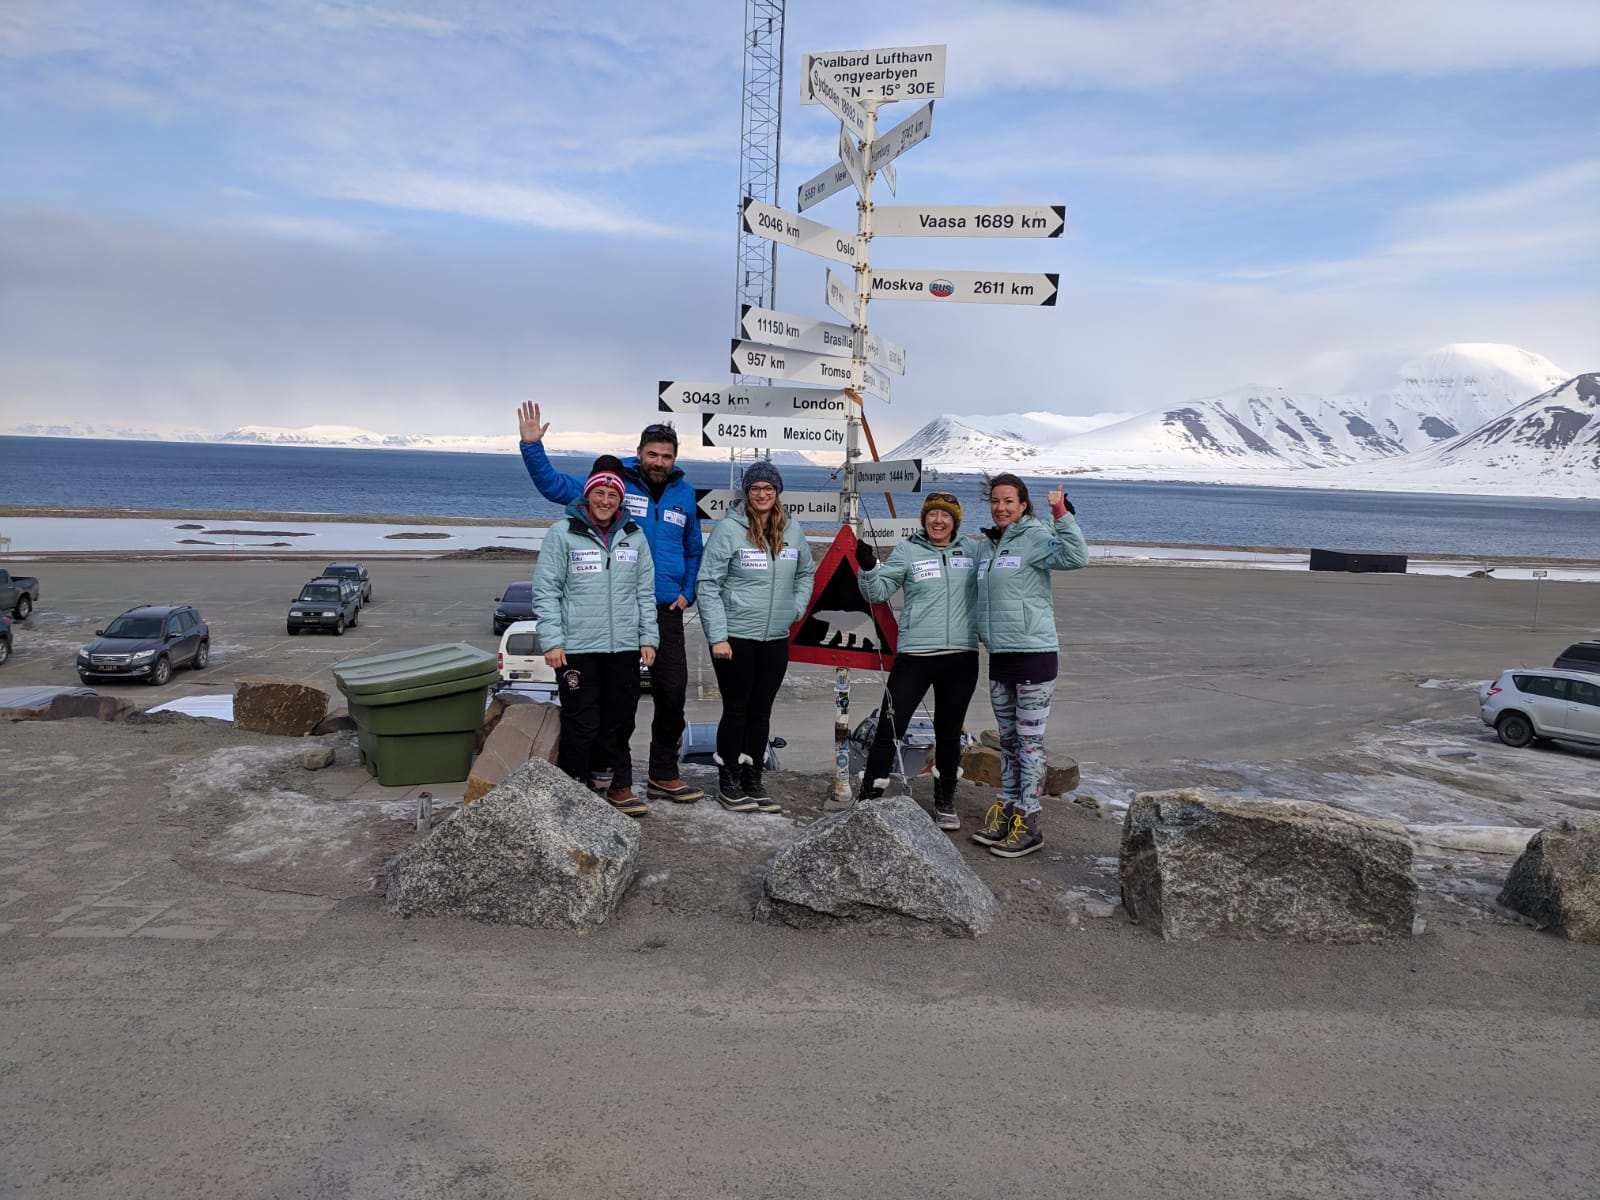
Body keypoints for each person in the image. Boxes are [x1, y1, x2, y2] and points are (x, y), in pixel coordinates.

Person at [518, 403, 705, 803]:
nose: (659, 462)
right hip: (616, 610)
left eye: (667, 456)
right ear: (639, 453)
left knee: (672, 695)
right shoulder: (615, 482)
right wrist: (533, 447)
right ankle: (619, 782)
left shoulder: (685, 493)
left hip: (665, 609)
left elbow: (694, 548)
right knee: (616, 706)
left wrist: (688, 591)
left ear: (675, 459)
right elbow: (555, 487)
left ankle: (663, 773)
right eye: (652, 454)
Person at [967, 474, 1088, 858]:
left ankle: (1029, 820)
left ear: (1022, 505)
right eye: (995, 501)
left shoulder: (1035, 536)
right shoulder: (990, 546)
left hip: (1035, 654)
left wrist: (1061, 513)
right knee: (1008, 742)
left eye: (1008, 501)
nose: (1001, 507)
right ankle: (1006, 809)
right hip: (1001, 657)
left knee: (1030, 742)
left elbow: (1075, 556)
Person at [531, 457, 660, 817]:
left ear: (621, 500)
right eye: (599, 494)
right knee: (582, 722)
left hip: (623, 648)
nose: (605, 501)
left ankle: (615, 785)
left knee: (619, 719)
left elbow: (644, 593)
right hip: (577, 649)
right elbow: (546, 591)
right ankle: (574, 787)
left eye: (612, 495)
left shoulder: (634, 536)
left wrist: (649, 638)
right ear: (588, 496)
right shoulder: (562, 533)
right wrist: (553, 642)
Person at [852, 492, 979, 831]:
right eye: (932, 514)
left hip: (962, 656)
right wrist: (867, 569)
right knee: (890, 727)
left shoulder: (974, 550)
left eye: (945, 515)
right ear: (923, 519)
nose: (938, 521)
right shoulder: (908, 550)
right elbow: (876, 592)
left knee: (950, 732)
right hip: (915, 655)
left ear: (956, 521)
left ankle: (945, 799)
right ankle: (869, 795)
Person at [697, 461, 816, 813]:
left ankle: (753, 778)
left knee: (761, 712)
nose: (762, 494)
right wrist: (718, 635)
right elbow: (708, 583)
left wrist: (794, 610)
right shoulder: (729, 530)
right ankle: (729, 780)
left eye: (768, 488)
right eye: (755, 488)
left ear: (777, 492)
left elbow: (805, 572)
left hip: (776, 637)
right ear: (747, 493)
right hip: (735, 636)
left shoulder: (792, 530)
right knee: (736, 710)